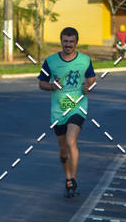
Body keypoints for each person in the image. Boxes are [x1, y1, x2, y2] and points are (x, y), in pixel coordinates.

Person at [38, 27, 95, 198]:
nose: (68, 45)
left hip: (78, 107)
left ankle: (74, 179)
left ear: (76, 42)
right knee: (63, 149)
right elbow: (41, 83)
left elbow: (91, 80)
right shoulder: (51, 61)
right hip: (58, 111)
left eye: (71, 42)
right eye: (65, 41)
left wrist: (88, 87)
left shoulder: (85, 60)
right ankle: (68, 177)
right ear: (61, 42)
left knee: (71, 141)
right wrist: (52, 86)